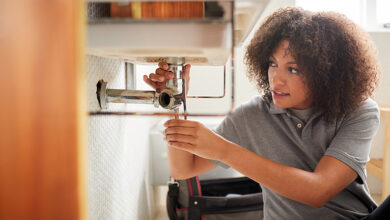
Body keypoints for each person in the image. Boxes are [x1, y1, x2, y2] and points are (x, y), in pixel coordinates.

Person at [144, 7, 384, 220]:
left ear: (325, 73)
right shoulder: (252, 115)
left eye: (293, 68)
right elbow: (184, 169)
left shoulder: (359, 110)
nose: (276, 79)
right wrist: (174, 98)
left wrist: (223, 149)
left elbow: (317, 191)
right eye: (271, 63)